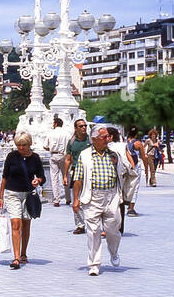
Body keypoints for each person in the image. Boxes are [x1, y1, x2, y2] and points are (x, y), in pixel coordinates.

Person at [73, 124, 125, 277]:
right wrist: (75, 199)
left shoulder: (114, 153)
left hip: (112, 196)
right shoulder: (85, 155)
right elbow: (78, 178)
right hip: (93, 197)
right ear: (94, 139)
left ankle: (113, 252)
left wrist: (119, 163)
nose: (108, 139)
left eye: (109, 137)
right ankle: (94, 264)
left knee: (113, 229)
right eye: (104, 137)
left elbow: (124, 172)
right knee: (93, 231)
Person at [0, 131, 45, 270]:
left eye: (23, 145)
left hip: (28, 194)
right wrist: (0, 197)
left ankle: (24, 253)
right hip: (12, 193)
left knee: (26, 225)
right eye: (18, 145)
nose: (21, 148)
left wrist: (38, 180)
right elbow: (4, 177)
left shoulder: (35, 158)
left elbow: (42, 176)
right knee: (16, 223)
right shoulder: (11, 156)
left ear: (29, 144)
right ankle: (16, 257)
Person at [63, 118, 91, 235]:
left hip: (90, 171)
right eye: (81, 126)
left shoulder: (91, 140)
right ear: (76, 128)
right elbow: (68, 159)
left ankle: (92, 222)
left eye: (85, 126)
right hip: (76, 171)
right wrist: (65, 175)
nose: (84, 128)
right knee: (76, 198)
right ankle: (80, 224)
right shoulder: (72, 142)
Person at [45, 116, 68, 206]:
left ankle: (56, 200)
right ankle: (68, 198)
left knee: (54, 178)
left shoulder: (50, 133)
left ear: (55, 124)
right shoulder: (66, 134)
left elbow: (45, 146)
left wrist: (51, 148)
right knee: (66, 176)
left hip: (53, 155)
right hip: (63, 155)